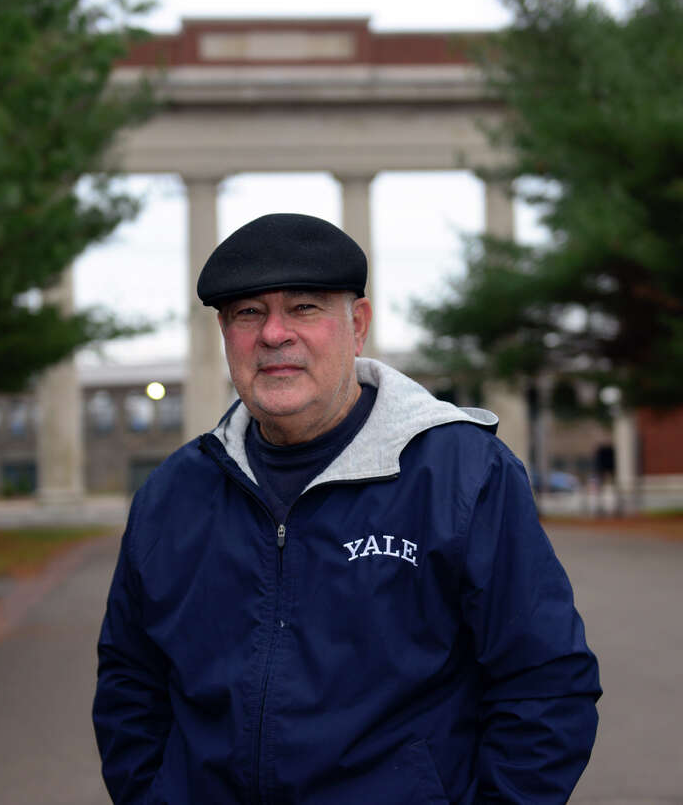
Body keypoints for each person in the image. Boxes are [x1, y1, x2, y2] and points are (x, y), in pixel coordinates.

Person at [93, 213, 601, 804]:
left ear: (356, 325)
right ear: (226, 334)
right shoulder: (172, 494)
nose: (273, 335)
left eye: (304, 308)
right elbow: (130, 685)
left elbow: (545, 686)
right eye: (247, 314)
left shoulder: (462, 474)